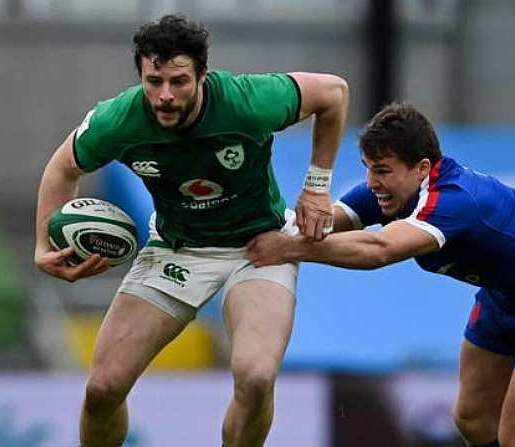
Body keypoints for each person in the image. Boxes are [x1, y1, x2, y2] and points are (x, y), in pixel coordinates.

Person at [246, 103, 515, 447]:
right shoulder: (392, 190)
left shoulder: (455, 202)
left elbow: (379, 249)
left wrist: (290, 247)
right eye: (368, 168)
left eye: (383, 170)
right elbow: (337, 219)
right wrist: (269, 229)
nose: (372, 183)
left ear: (422, 167)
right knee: (473, 418)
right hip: (504, 298)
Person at [34, 14, 348, 447]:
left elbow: (334, 93)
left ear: (203, 74)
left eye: (179, 81)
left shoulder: (247, 101)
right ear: (142, 75)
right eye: (154, 80)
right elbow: (62, 166)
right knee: (103, 387)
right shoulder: (118, 120)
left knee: (255, 377)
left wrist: (316, 188)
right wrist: (45, 244)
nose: (164, 95)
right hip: (176, 248)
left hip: (259, 247)